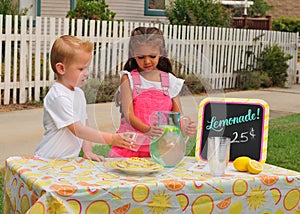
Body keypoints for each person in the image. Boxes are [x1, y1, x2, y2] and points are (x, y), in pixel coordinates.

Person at [34, 35, 134, 161]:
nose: (86, 73)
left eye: (87, 67)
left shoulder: (78, 93)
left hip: (67, 160)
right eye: (81, 69)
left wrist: (87, 151)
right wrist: (112, 139)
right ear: (61, 68)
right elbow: (78, 130)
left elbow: (84, 124)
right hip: (48, 160)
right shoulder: (58, 96)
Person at [109, 27, 197, 158]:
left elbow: (176, 116)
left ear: (161, 52)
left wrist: (184, 127)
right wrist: (148, 130)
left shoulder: (170, 81)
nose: (147, 61)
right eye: (141, 57)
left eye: (152, 56)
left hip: (160, 150)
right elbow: (129, 115)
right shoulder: (129, 79)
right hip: (130, 146)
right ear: (133, 53)